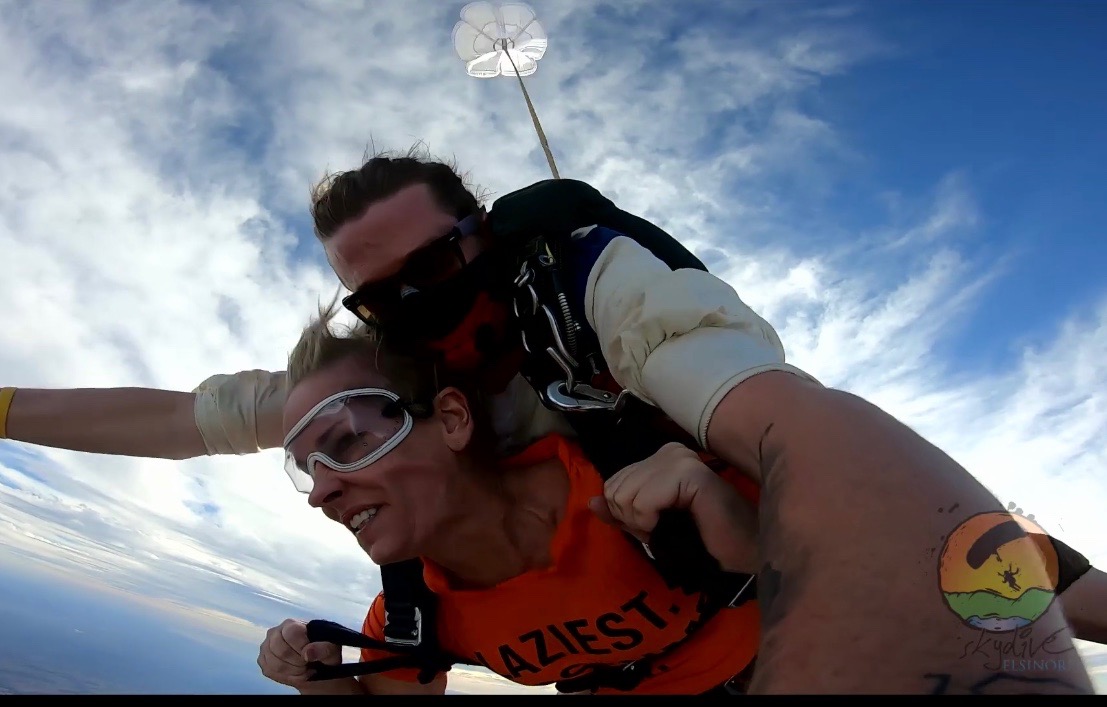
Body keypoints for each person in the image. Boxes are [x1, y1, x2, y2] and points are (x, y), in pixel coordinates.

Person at [0, 147, 1098, 691]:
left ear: (484, 236)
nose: (419, 300)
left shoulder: (592, 285)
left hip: (718, 489)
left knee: (1004, 564)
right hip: (634, 569)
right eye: (383, 294)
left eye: (436, 264)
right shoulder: (390, 385)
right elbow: (191, 416)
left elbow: (785, 419)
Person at [257, 303, 764, 696]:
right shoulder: (413, 612)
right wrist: (311, 676)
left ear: (452, 419)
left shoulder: (637, 477)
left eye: (347, 441)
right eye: (306, 469)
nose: (321, 493)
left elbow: (830, 546)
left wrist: (737, 520)